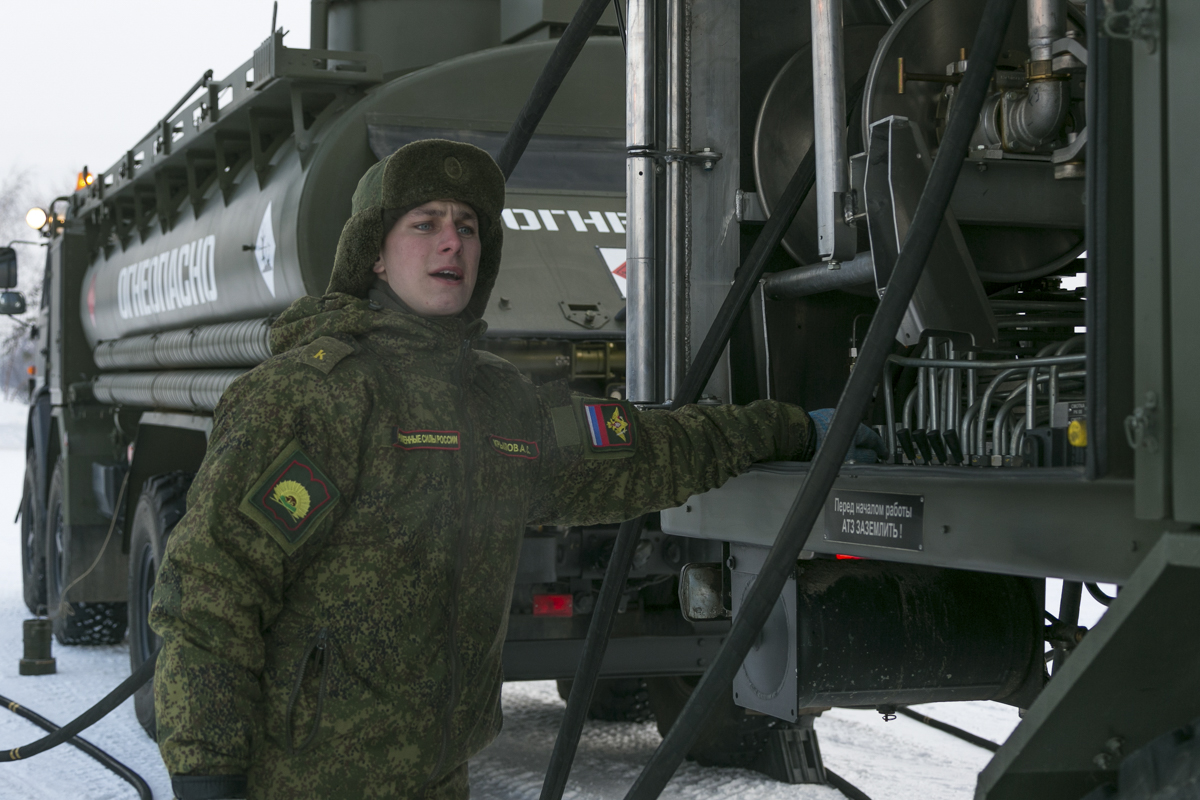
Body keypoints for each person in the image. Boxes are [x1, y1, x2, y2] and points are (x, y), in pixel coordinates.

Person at [150, 139, 880, 800]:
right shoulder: (312, 396)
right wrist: (207, 779)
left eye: (467, 227)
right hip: (305, 782)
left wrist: (787, 429)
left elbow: (639, 450)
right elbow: (212, 591)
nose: (452, 242)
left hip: (440, 778)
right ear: (373, 253)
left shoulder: (497, 400)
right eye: (424, 224)